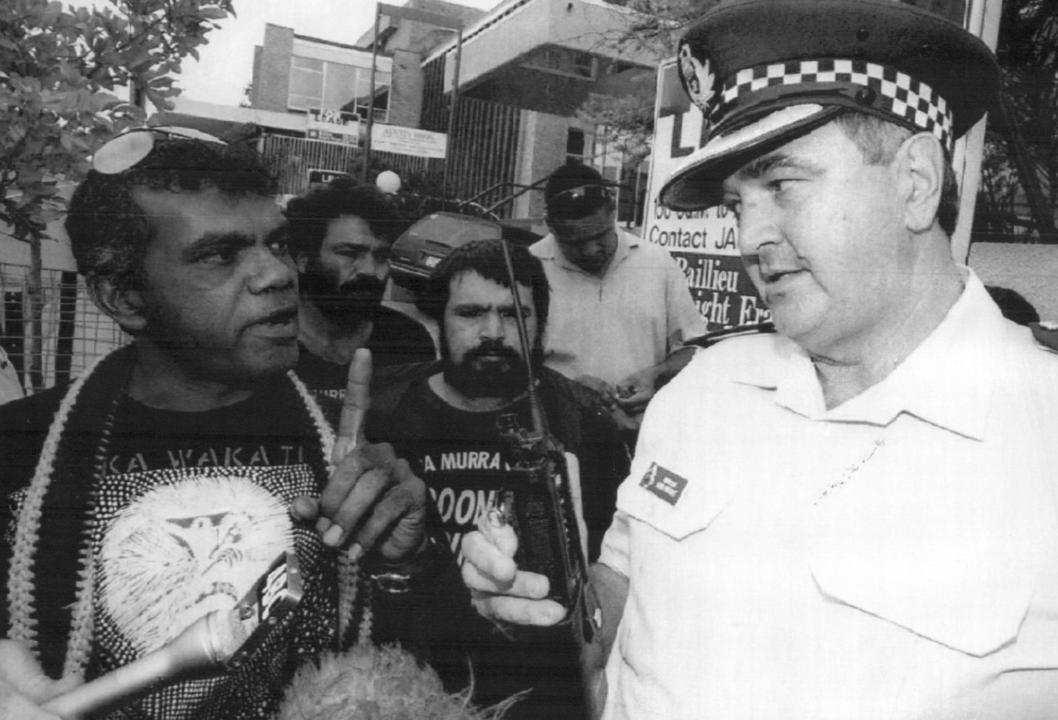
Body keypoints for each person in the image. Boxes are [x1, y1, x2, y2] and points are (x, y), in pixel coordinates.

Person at [460, 1, 1058, 719]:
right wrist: (541, 600)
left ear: (918, 181)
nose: (749, 239)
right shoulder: (703, 392)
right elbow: (615, 631)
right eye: (740, 203)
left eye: (783, 185)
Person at [0, 128, 440, 719]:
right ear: (124, 299)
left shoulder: (360, 451)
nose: (277, 275)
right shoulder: (19, 449)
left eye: (278, 245)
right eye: (220, 254)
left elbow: (455, 675)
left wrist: (406, 565)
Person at [367, 238, 631, 720]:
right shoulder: (388, 410)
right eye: (470, 313)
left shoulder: (582, 421)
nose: (494, 332)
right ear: (439, 321)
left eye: (514, 315)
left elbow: (616, 571)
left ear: (540, 325)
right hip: (417, 685)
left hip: (545, 693)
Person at [532, 164, 707, 431]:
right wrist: (567, 391)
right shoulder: (529, 267)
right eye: (575, 242)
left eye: (600, 235)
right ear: (551, 228)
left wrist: (656, 375)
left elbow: (693, 349)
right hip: (560, 436)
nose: (591, 250)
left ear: (614, 212)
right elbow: (510, 366)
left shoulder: (656, 262)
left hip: (644, 434)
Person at [285, 177, 436, 409]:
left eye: (380, 257)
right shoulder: (271, 343)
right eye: (349, 253)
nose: (369, 270)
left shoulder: (408, 341)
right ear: (304, 260)